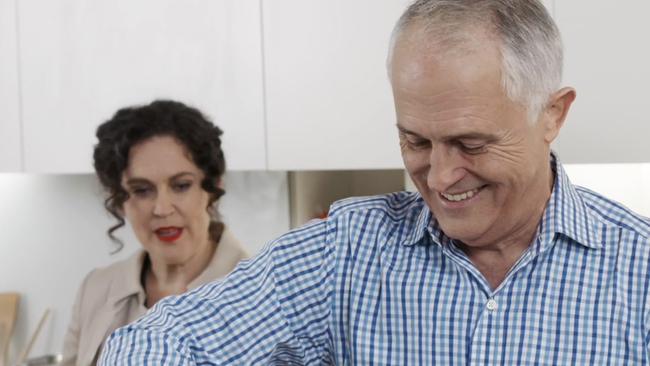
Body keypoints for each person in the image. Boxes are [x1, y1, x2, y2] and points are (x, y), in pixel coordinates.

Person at [101, 1, 650, 364]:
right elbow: (161, 342)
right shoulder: (347, 251)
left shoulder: (639, 273)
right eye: (415, 141)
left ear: (552, 114)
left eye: (471, 144)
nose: (438, 177)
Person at [61, 100, 248, 365]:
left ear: (213, 187)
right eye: (141, 190)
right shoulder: (96, 290)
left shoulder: (260, 293)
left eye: (181, 185)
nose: (161, 209)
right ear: (119, 200)